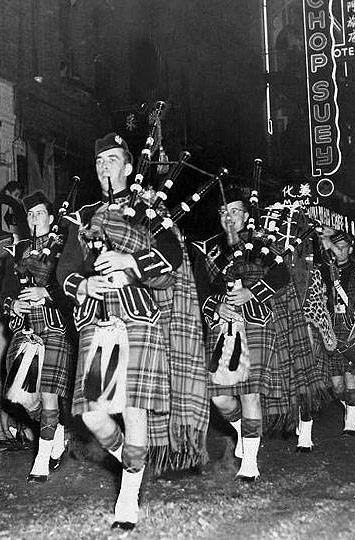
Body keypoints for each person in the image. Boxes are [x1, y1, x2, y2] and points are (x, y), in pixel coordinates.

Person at [56, 132, 208, 530]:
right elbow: (65, 268)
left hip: (139, 316)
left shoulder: (149, 210)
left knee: (134, 407)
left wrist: (130, 262)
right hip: (97, 317)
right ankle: (128, 457)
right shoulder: (84, 214)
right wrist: (84, 284)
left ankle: (128, 494)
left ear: (127, 167)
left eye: (112, 159)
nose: (104, 165)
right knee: (92, 415)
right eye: (99, 160)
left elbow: (172, 254)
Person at [194, 186, 291, 481]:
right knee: (220, 398)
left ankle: (249, 460)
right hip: (223, 326)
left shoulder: (262, 244)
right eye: (224, 212)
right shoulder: (209, 250)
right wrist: (216, 306)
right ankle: (242, 430)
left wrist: (252, 292)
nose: (229, 217)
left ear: (246, 216)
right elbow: (201, 291)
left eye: (235, 211)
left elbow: (282, 276)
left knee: (250, 394)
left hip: (256, 322)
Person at [0, 191, 74, 481]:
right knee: (21, 397)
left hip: (54, 327)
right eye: (30, 214)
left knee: (49, 396)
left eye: (39, 213)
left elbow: (71, 287)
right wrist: (12, 303)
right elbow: (5, 292)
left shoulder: (63, 249)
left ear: (51, 218)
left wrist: (48, 292)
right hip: (26, 328)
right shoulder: (16, 252)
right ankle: (55, 429)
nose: (34, 219)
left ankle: (41, 461)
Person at [320, 229, 355, 436]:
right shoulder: (324, 271)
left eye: (344, 247)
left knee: (350, 378)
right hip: (331, 327)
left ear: (350, 248)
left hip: (352, 327)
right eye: (336, 247)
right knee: (337, 386)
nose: (340, 251)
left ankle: (352, 421)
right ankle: (349, 407)